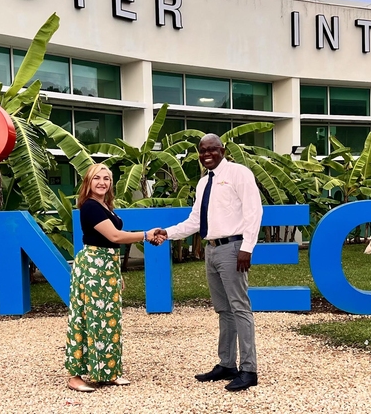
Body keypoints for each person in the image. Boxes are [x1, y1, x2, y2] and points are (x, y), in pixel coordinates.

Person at [148, 133, 263, 392]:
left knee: (240, 309)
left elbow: (254, 211)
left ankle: (249, 369)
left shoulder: (238, 173)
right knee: (224, 310)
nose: (207, 154)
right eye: (202, 151)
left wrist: (247, 247)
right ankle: (227, 364)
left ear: (223, 150)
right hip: (212, 251)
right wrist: (168, 233)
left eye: (212, 149)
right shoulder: (203, 183)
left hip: (233, 248)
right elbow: (195, 221)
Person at [65, 163, 156, 392]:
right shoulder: (90, 207)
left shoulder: (105, 205)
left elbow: (110, 244)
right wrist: (146, 235)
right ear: (88, 181)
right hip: (93, 268)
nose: (102, 182)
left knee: (108, 321)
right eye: (97, 178)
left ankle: (107, 372)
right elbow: (114, 236)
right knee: (86, 319)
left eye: (106, 178)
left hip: (107, 267)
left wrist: (116, 274)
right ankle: (75, 376)